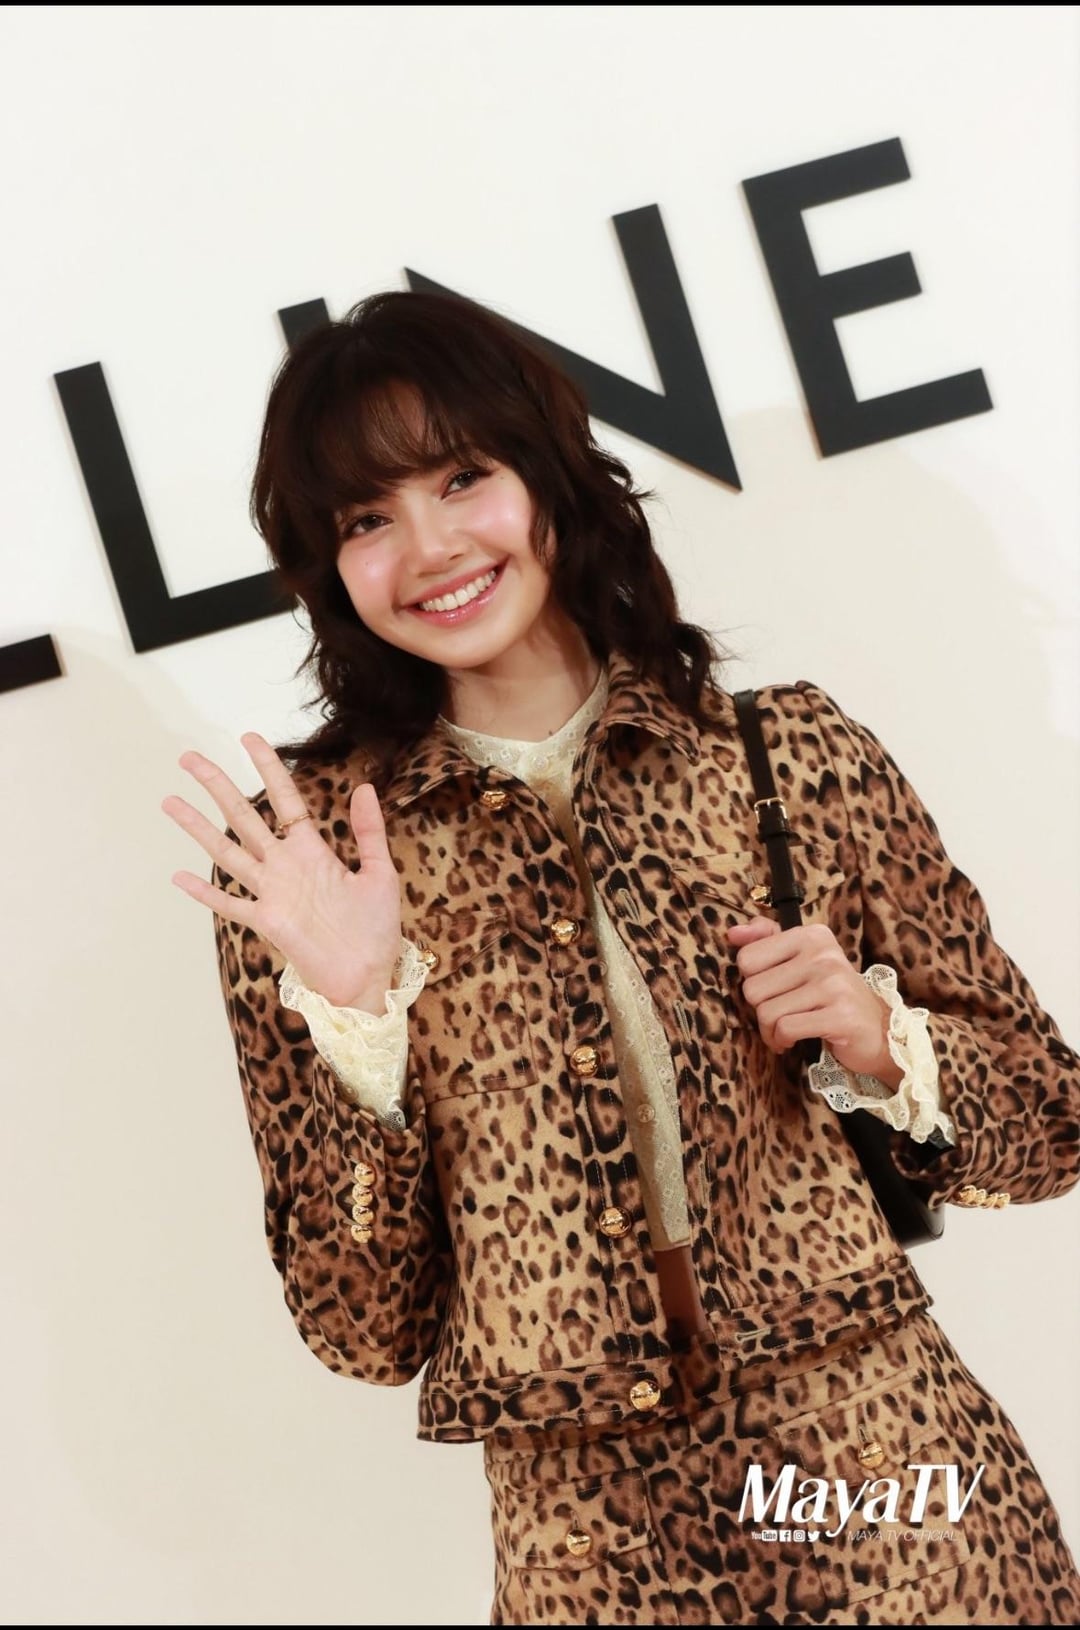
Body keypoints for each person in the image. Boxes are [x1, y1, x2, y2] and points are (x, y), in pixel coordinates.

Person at [162, 290, 1080, 1626]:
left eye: (460, 477)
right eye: (365, 519)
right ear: (329, 567)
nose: (429, 547)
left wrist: (887, 1046)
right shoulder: (309, 859)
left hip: (889, 1478)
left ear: (549, 473)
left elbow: (1051, 1126)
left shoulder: (784, 755)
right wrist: (360, 1022)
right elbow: (360, 1326)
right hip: (588, 1543)